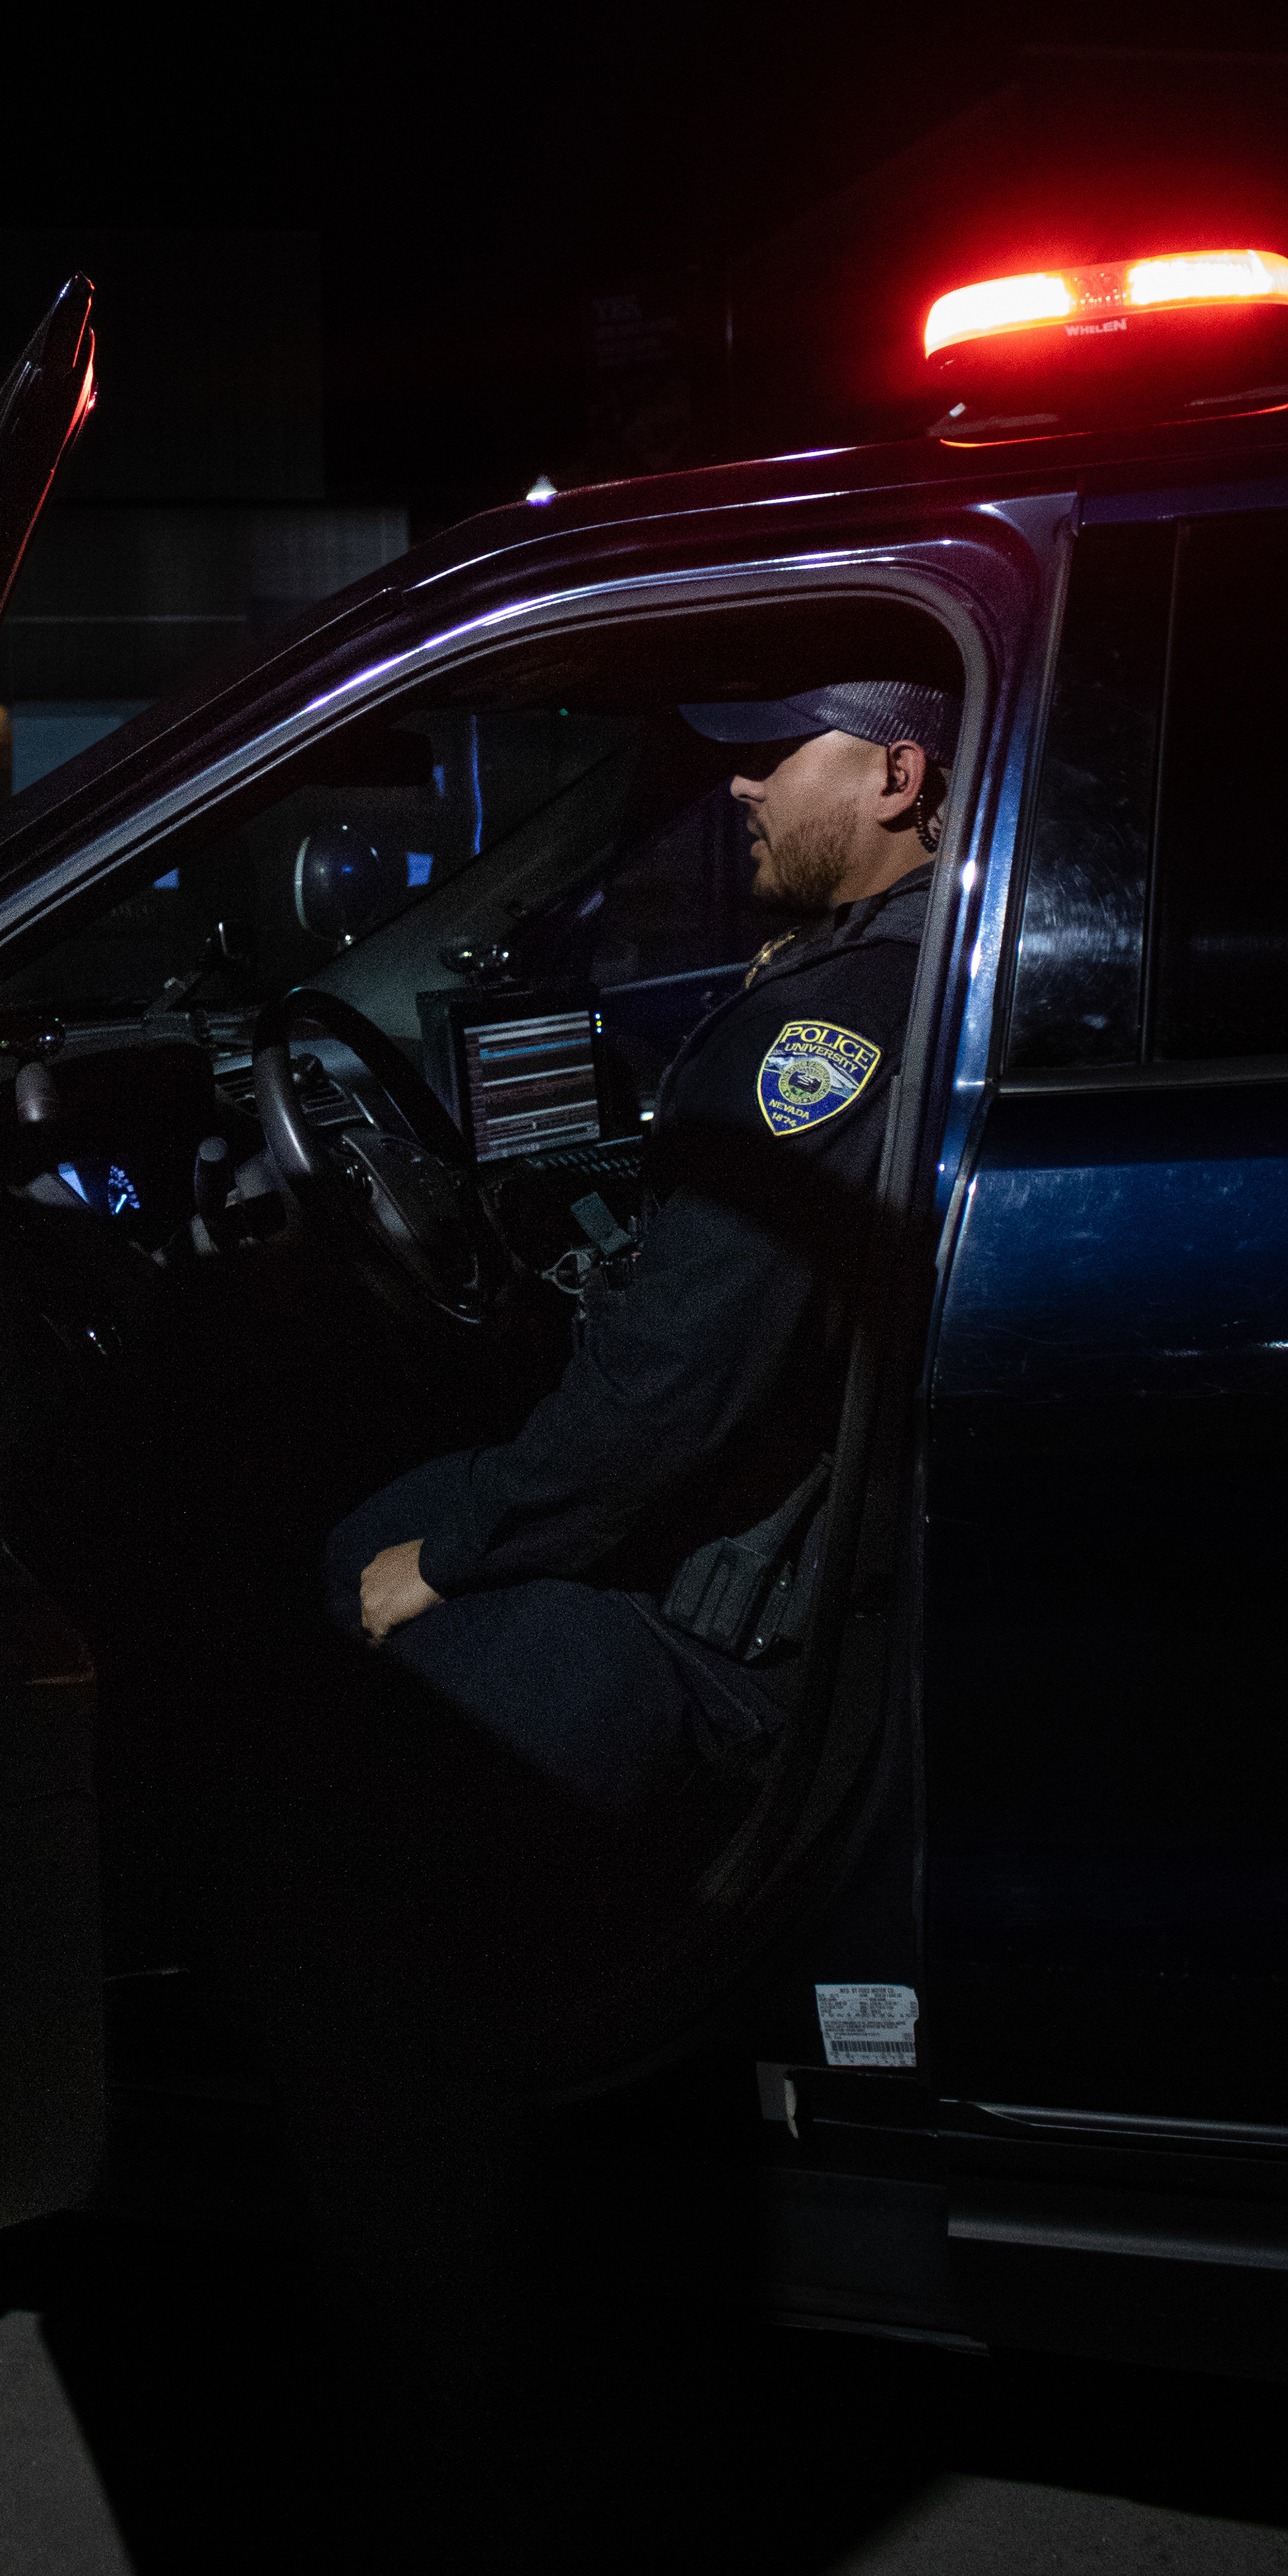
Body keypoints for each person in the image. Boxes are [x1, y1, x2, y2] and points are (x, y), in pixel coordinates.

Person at [327, 673, 957, 1833]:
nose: (741, 781)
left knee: (366, 1548)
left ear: (896, 777)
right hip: (809, 1516)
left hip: (773, 1613)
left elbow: (678, 1371)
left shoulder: (828, 1025)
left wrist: (459, 1554)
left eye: (775, 752)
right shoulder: (894, 963)